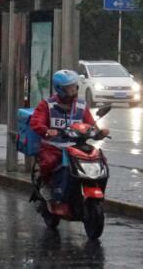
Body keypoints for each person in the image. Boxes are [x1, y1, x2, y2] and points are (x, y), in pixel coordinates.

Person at [29, 70, 109, 204]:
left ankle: (95, 187)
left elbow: (90, 124)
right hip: (54, 146)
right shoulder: (47, 105)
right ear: (59, 89)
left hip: (77, 147)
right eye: (68, 88)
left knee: (100, 159)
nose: (72, 90)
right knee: (49, 162)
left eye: (74, 86)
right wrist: (47, 130)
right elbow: (36, 122)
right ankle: (46, 186)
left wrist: (99, 133)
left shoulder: (81, 105)